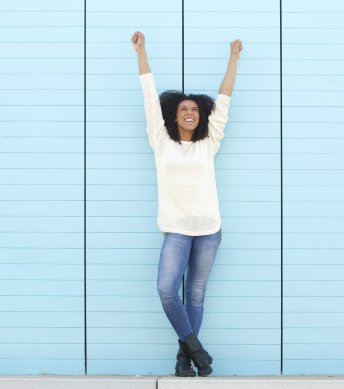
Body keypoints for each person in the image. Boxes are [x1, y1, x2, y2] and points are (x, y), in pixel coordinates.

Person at [131, 30, 242, 377]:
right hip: (176, 229)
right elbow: (150, 97)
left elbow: (224, 99)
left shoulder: (209, 143)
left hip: (209, 229)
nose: (190, 113)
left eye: (195, 109)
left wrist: (233, 60)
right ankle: (197, 351)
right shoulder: (160, 142)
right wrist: (142, 52)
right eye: (184, 109)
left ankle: (184, 361)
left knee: (195, 296)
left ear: (201, 115)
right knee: (167, 290)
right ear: (174, 115)